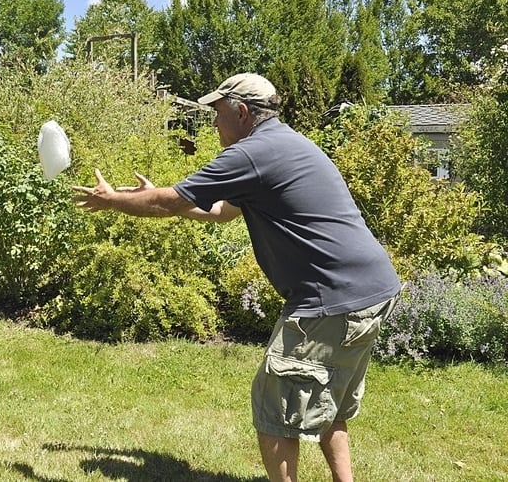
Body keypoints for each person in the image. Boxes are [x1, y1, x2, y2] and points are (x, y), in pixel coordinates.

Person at [73, 73, 402, 481]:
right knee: (327, 396)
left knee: (275, 410)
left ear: (242, 112)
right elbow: (218, 211)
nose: (214, 124)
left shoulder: (252, 153)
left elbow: (170, 203)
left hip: (331, 297)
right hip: (373, 288)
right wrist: (164, 198)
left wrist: (115, 201)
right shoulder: (285, 144)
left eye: (217, 114)